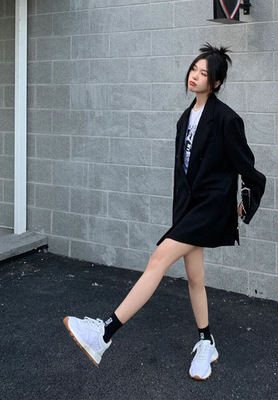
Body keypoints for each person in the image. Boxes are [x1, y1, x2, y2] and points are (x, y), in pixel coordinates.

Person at [63, 43, 266, 381]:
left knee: (157, 260)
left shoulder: (227, 119)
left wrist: (247, 197)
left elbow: (248, 167)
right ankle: (206, 341)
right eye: (194, 69)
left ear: (216, 83)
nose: (195, 76)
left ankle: (104, 333)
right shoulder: (185, 118)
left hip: (211, 208)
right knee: (195, 278)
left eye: (204, 73)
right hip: (189, 209)